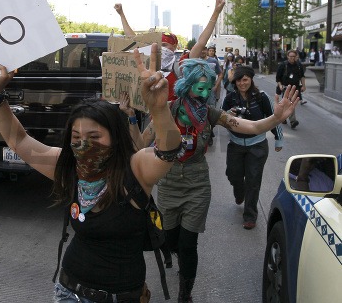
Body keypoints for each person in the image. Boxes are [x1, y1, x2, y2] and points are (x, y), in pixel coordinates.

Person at [0, 44, 182, 303]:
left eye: (94, 137)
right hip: (69, 292)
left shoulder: (135, 169)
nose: (83, 145)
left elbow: (168, 150)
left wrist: (159, 110)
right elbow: (19, 142)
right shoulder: (69, 167)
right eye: (76, 137)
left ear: (115, 138)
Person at [120, 58, 299, 302]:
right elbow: (141, 144)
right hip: (169, 183)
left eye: (208, 88)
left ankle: (186, 291)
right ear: (186, 86)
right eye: (199, 87)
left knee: (188, 243)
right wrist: (131, 117)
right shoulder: (167, 108)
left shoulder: (211, 113)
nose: (205, 94)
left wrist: (276, 119)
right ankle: (176, 254)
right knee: (170, 240)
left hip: (197, 185)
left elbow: (250, 126)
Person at [221, 65, 283, 230]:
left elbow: (274, 118)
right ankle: (238, 192)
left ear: (251, 79)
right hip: (235, 145)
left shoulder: (261, 97)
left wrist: (278, 139)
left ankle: (250, 216)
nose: (242, 83)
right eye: (239, 80)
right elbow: (220, 117)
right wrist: (228, 115)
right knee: (233, 175)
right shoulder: (230, 98)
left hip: (257, 146)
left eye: (245, 80)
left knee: (253, 181)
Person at [276, 50, 306, 129]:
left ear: (296, 56)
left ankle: (283, 117)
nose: (292, 58)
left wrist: (303, 86)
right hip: (286, 87)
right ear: (287, 56)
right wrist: (280, 85)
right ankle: (293, 121)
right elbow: (278, 78)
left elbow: (302, 76)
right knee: (290, 103)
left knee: (288, 103)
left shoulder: (299, 65)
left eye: (294, 56)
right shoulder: (283, 65)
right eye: (291, 56)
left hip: (295, 87)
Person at [200, 45, 222, 146]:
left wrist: (216, 86)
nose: (202, 51)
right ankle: (204, 134)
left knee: (210, 112)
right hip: (198, 91)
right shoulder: (194, 61)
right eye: (200, 50)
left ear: (206, 51)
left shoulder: (213, 61)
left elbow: (220, 73)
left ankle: (209, 133)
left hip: (210, 91)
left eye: (204, 49)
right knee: (199, 112)